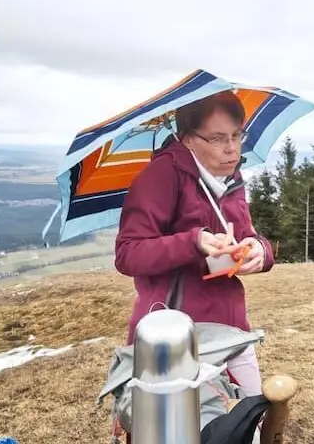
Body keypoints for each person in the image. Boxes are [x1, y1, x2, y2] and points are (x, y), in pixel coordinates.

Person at [114, 90, 274, 396]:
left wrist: (259, 251)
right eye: (216, 139)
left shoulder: (231, 176)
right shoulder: (160, 176)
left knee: (251, 422)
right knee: (180, 438)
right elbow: (127, 254)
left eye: (237, 135)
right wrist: (194, 241)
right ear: (187, 139)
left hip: (231, 325)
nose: (231, 149)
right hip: (174, 336)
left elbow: (247, 234)